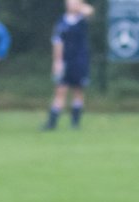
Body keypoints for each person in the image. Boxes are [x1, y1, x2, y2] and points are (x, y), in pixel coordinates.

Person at [42, 0, 95, 131]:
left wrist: (80, 6)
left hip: (80, 61)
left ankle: (75, 124)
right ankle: (52, 123)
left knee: (78, 91)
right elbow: (57, 43)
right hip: (65, 61)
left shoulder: (82, 19)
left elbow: (90, 11)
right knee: (60, 90)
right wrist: (57, 61)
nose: (71, 5)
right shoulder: (61, 22)